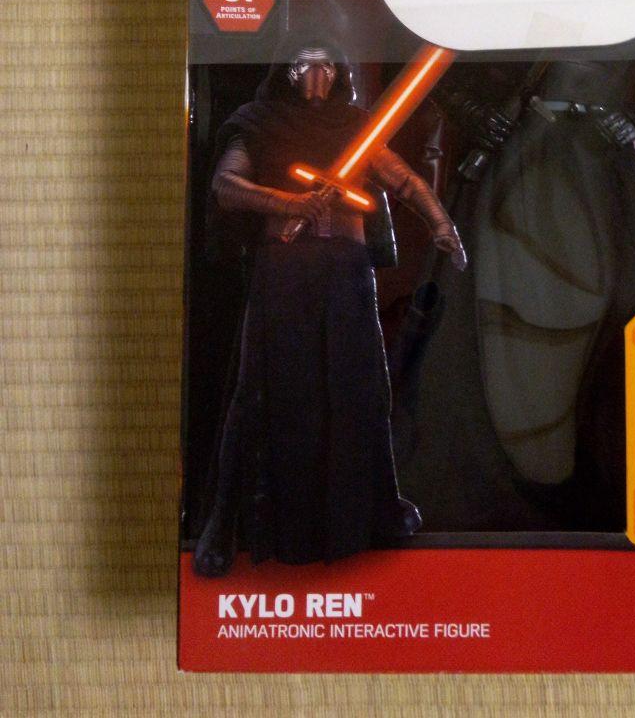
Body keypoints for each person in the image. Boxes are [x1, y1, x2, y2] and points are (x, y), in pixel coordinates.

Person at [396, 10, 635, 532]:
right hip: (525, 154)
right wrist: (476, 114)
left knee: (608, 314)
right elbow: (427, 60)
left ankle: (579, 471)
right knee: (504, 313)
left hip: (600, 160)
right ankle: (519, 471)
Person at [193, 44, 465, 576]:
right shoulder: (257, 122)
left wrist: (441, 223)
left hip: (346, 268)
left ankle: (380, 509)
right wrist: (287, 202)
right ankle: (221, 525)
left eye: (326, 64)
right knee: (257, 392)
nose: (316, 75)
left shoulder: (357, 129)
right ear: (287, 71)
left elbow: (405, 180)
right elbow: (227, 185)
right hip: (284, 270)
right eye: (305, 63)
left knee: (363, 388)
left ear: (338, 72)